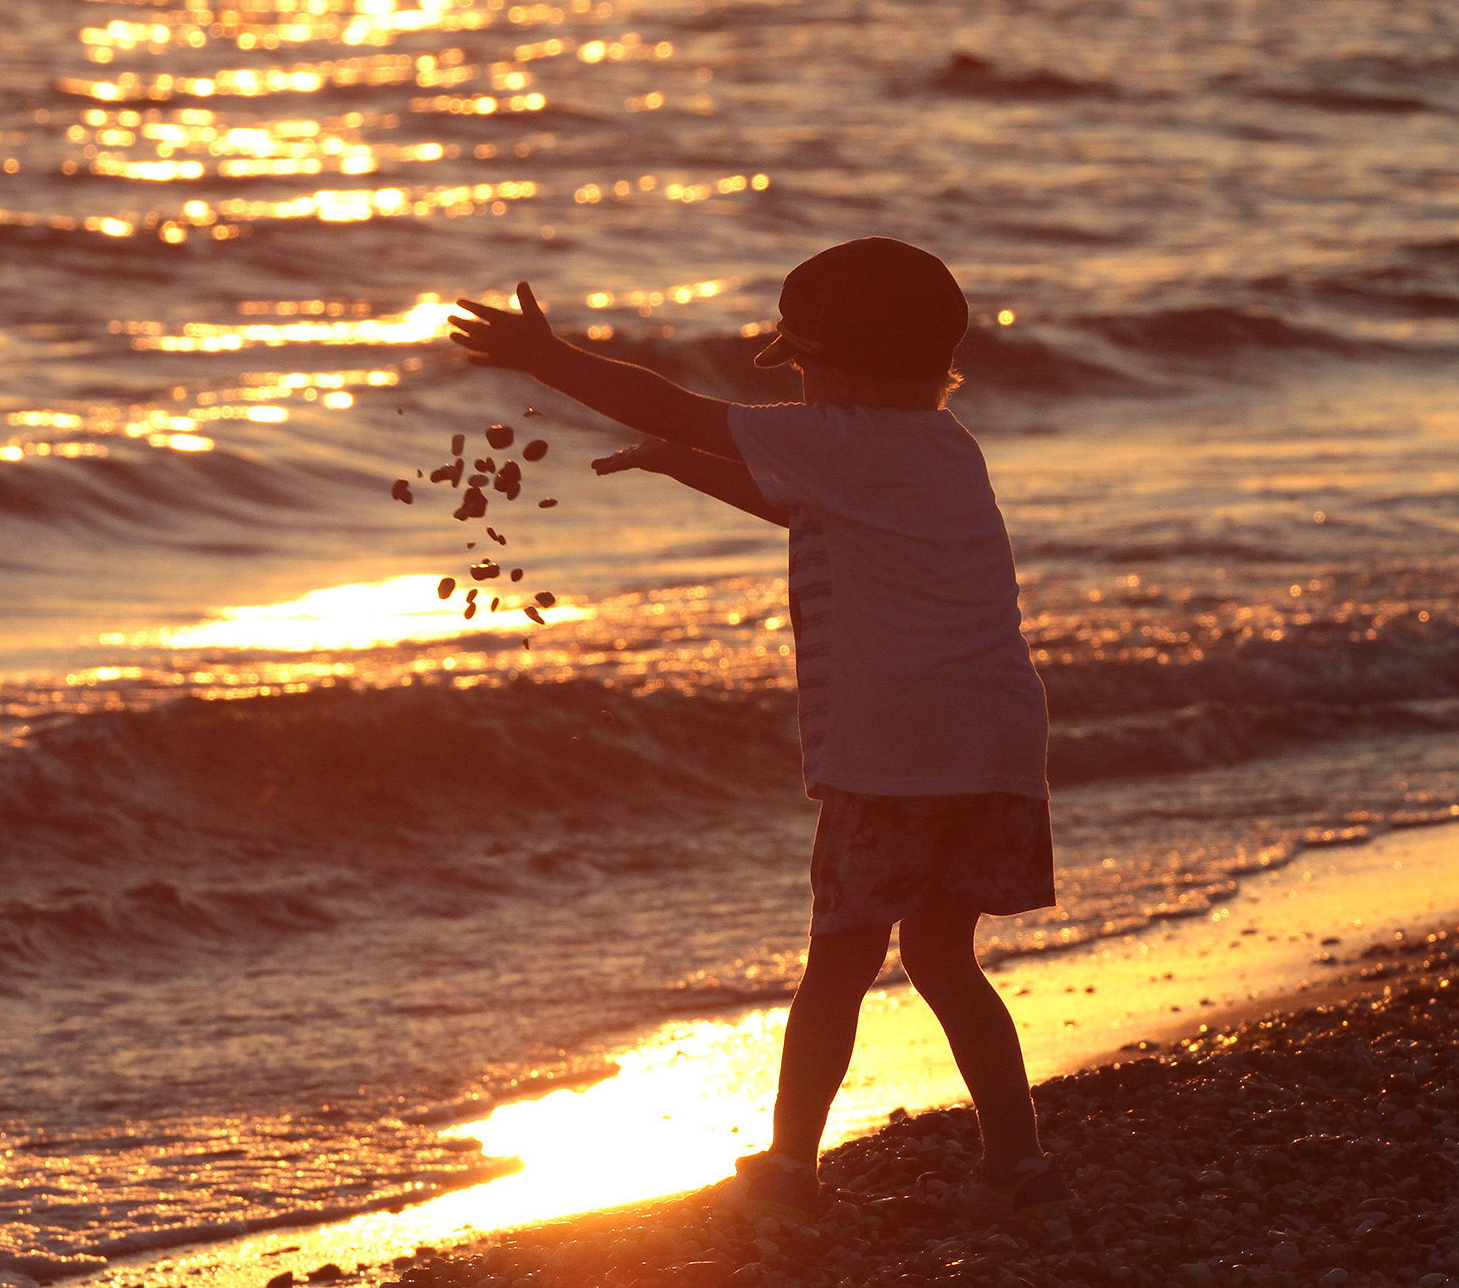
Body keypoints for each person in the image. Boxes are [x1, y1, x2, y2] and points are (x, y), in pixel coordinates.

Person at [448, 236, 1071, 1226]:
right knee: (946, 957)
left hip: (893, 759)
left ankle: (789, 1166)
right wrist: (679, 466)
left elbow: (674, 404)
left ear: (840, 364)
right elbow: (814, 509)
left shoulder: (842, 438)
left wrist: (549, 358)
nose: (805, 388)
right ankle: (1018, 1161)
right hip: (993, 748)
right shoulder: (943, 448)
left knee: (838, 960)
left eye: (806, 366)